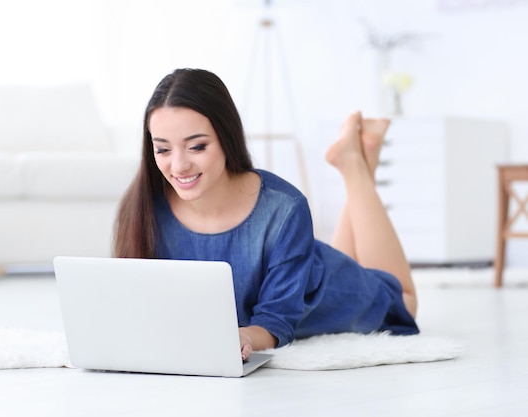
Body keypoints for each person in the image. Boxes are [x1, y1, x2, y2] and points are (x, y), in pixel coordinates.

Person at [113, 68, 418, 361]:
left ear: (226, 137)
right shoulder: (144, 207)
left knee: (403, 299)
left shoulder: (282, 207)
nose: (178, 166)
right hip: (297, 265)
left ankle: (356, 165)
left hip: (325, 290)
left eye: (196, 147)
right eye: (163, 150)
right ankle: (362, 153)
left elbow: (276, 319)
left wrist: (245, 338)